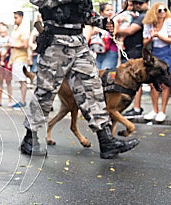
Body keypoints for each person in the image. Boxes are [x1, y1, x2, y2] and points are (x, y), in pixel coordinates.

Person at [23, 0, 139, 159]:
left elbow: (85, 12)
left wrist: (101, 22)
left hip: (79, 42)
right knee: (45, 92)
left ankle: (106, 141)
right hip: (55, 41)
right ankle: (31, 138)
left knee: (93, 90)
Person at [114, 0, 150, 118]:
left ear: (146, 2)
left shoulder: (143, 16)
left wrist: (115, 29)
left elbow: (129, 31)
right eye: (135, 3)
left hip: (135, 51)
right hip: (131, 50)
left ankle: (136, 108)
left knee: (134, 79)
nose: (137, 5)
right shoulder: (134, 16)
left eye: (140, 3)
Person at [142, 3, 171, 122]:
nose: (163, 12)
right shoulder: (149, 24)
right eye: (160, 10)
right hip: (153, 53)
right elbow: (144, 42)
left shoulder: (169, 22)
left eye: (165, 9)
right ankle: (154, 109)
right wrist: (151, 37)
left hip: (166, 52)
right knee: (153, 83)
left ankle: (162, 111)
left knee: (165, 83)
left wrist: (158, 35)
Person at [9, 10, 29, 109]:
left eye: (16, 17)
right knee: (19, 80)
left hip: (21, 58)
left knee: (23, 79)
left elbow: (25, 45)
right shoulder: (16, 29)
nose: (15, 20)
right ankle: (21, 100)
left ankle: (23, 100)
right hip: (15, 58)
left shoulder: (24, 29)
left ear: (21, 17)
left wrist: (13, 45)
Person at [90, 2, 118, 70]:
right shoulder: (96, 22)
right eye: (107, 10)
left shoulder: (114, 21)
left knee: (106, 72)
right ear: (101, 12)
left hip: (111, 51)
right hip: (99, 51)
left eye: (111, 10)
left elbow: (114, 32)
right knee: (97, 72)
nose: (110, 12)